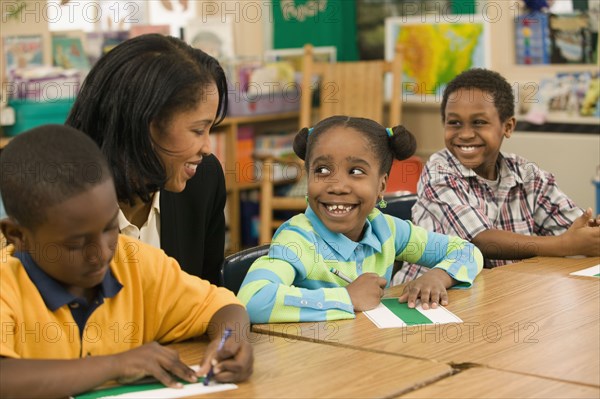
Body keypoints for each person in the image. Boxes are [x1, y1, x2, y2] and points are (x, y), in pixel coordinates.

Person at [0, 125, 253, 398]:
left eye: (110, 227)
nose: (100, 253)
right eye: (76, 243)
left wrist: (232, 340)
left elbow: (224, 306)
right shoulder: (7, 287)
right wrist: (115, 365)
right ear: (18, 236)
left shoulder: (134, 263)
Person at [237, 116, 483, 323]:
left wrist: (438, 276)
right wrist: (346, 298)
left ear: (381, 185)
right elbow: (252, 300)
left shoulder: (385, 230)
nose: (337, 186)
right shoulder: (298, 240)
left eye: (356, 172)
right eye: (322, 170)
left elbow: (467, 251)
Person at [396, 68, 600, 282]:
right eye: (454, 122)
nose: (465, 134)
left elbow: (574, 229)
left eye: (479, 122)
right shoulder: (438, 171)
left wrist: (588, 235)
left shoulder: (527, 175)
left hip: (505, 291)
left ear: (508, 127)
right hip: (428, 298)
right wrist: (564, 244)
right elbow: (481, 241)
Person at [66, 34, 228, 284]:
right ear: (143, 125)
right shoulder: (62, 201)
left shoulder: (204, 179)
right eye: (198, 130)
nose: (207, 148)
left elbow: (210, 295)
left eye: (210, 130)